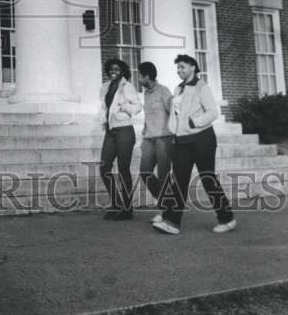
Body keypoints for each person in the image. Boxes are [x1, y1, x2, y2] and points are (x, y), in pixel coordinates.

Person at [153, 54, 236, 236]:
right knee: (179, 181)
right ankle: (171, 222)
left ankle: (227, 219)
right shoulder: (178, 89)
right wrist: (174, 130)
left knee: (207, 178)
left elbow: (213, 112)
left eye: (182, 67)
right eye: (178, 68)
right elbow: (175, 114)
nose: (179, 70)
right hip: (182, 140)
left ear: (192, 67)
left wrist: (194, 123)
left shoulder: (202, 86)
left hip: (202, 139)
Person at [98, 58, 142, 220]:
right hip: (110, 131)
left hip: (124, 130)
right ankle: (116, 204)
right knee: (104, 168)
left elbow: (138, 106)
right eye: (111, 69)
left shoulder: (127, 86)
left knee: (123, 169)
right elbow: (105, 107)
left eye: (116, 69)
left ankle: (127, 209)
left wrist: (125, 108)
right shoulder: (106, 87)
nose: (113, 72)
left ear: (122, 71)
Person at [137, 61, 173, 224]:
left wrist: (175, 134)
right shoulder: (145, 93)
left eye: (140, 75)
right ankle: (167, 203)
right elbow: (148, 115)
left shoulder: (164, 91)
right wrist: (144, 133)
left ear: (147, 76)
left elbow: (174, 112)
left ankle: (165, 211)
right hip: (149, 139)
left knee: (164, 175)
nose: (138, 79)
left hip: (163, 138)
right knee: (145, 172)